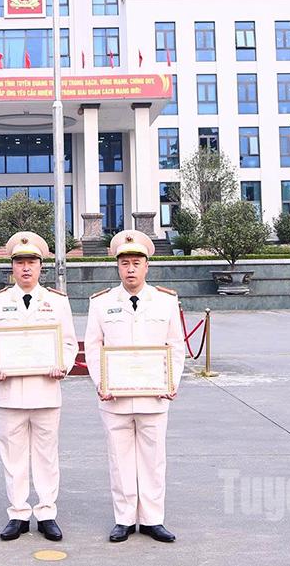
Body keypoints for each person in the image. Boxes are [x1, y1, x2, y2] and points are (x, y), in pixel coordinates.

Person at [84, 229, 185, 544]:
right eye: (124, 262)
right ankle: (124, 519)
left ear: (147, 266)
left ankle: (153, 519)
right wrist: (102, 382)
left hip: (154, 395)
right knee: (120, 458)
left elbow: (176, 345)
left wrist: (171, 381)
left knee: (154, 460)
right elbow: (93, 346)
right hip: (114, 397)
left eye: (136, 262)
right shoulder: (102, 303)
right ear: (117, 266)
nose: (130, 268)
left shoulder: (165, 302)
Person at [0, 231, 78, 542]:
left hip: (46, 389)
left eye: (31, 262)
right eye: (20, 262)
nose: (25, 268)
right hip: (9, 393)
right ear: (12, 266)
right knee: (13, 456)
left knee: (47, 455)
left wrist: (62, 364)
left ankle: (47, 511)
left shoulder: (57, 302)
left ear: (40, 266)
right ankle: (18, 512)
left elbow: (69, 342)